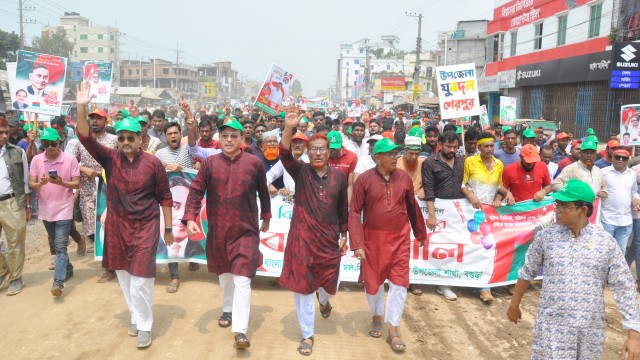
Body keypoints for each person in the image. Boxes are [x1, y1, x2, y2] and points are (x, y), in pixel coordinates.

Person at [76, 81, 173, 348]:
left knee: (141, 278)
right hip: (117, 227)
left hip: (146, 227)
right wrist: (81, 107)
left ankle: (144, 325)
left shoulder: (153, 163)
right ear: (117, 140)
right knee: (124, 275)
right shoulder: (110, 158)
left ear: (141, 140)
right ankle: (136, 314)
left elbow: (165, 197)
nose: (126, 142)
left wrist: (168, 229)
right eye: (122, 138)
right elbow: (85, 137)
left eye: (131, 138)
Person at [507, 179, 640, 359]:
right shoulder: (545, 238)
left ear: (582, 210)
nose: (557, 209)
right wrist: (514, 305)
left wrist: (634, 334)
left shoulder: (605, 243)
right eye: (557, 203)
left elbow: (624, 287)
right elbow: (527, 272)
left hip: (588, 332)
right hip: (552, 329)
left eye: (564, 205)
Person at [182, 105, 271, 349]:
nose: (229, 140)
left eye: (234, 136)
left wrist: (266, 216)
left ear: (242, 139)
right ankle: (227, 309)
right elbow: (196, 191)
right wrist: (190, 217)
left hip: (246, 230)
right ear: (219, 138)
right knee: (225, 275)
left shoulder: (254, 164)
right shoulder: (210, 164)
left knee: (242, 278)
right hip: (219, 230)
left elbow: (264, 193)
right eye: (225, 136)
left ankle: (240, 331)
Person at [278, 112, 349, 356]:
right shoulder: (301, 172)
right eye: (313, 149)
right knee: (303, 288)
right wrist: (288, 128)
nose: (318, 153)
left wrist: (344, 235)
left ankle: (325, 299)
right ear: (308, 153)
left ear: (329, 153)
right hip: (303, 240)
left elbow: (343, 208)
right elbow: (285, 155)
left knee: (332, 281)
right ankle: (307, 335)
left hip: (329, 240)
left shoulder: (339, 176)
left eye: (322, 149)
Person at [349, 137, 427, 352]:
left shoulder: (403, 178)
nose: (395, 158)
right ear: (378, 157)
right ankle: (376, 315)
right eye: (391, 155)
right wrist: (357, 243)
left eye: (396, 154)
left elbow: (412, 207)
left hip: (400, 239)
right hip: (372, 241)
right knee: (373, 284)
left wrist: (420, 232)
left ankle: (393, 328)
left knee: (400, 285)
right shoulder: (364, 180)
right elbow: (355, 212)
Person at [28, 128, 80, 296]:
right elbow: (31, 185)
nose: (49, 147)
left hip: (64, 208)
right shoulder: (37, 160)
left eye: (53, 144)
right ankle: (68, 268)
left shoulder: (70, 159)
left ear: (60, 143)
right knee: (56, 245)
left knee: (60, 246)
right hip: (45, 210)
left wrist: (61, 183)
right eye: (45, 144)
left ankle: (58, 283)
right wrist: (41, 184)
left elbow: (77, 184)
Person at [463, 131, 513, 303]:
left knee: (487, 247)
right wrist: (471, 195)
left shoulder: (499, 164)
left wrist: (506, 194)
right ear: (479, 147)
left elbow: (498, 184)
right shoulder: (469, 162)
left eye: (492, 146)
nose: (490, 149)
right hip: (470, 211)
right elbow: (463, 183)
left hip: (489, 212)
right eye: (486, 146)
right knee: (470, 246)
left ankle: (485, 288)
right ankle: (465, 280)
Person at [75, 107, 119, 283]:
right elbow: (71, 163)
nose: (94, 121)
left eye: (98, 118)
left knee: (110, 227)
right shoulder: (79, 142)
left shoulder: (114, 140)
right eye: (91, 118)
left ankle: (111, 267)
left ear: (106, 121)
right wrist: (82, 168)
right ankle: (109, 261)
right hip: (87, 191)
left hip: (109, 190)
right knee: (91, 230)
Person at [422, 131, 465, 302]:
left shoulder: (462, 161)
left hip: (456, 213)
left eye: (455, 147)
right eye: (449, 146)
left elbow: (463, 184)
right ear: (440, 144)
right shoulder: (430, 163)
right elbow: (428, 189)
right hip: (437, 212)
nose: (452, 150)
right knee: (436, 247)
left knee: (454, 247)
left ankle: (447, 281)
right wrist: (432, 215)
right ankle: (433, 281)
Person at [155, 122, 197, 293]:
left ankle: (194, 259)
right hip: (168, 202)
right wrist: (165, 167)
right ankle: (174, 275)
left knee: (191, 231)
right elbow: (155, 173)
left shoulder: (188, 150)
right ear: (165, 137)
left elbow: (194, 141)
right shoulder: (159, 154)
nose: (173, 136)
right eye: (170, 134)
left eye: (176, 133)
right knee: (171, 232)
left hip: (189, 200)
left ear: (181, 135)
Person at [0, 115, 31, 295]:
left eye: (6, 132)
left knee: (15, 243)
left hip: (12, 202)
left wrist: (27, 206)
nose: (4, 136)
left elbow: (25, 182)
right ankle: (3, 271)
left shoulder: (17, 152)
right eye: (1, 133)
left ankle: (16, 278)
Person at [601, 146, 640, 253]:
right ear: (612, 158)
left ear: (629, 159)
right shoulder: (603, 172)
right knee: (605, 251)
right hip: (607, 219)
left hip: (626, 221)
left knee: (620, 253)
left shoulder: (632, 174)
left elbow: (633, 192)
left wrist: (636, 199)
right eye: (618, 157)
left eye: (624, 158)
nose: (621, 160)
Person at [327, 130, 357, 202]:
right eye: (331, 148)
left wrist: (347, 204)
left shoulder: (352, 157)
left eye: (336, 148)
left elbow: (350, 185)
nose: (333, 151)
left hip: (343, 194)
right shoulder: (322, 156)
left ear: (341, 144)